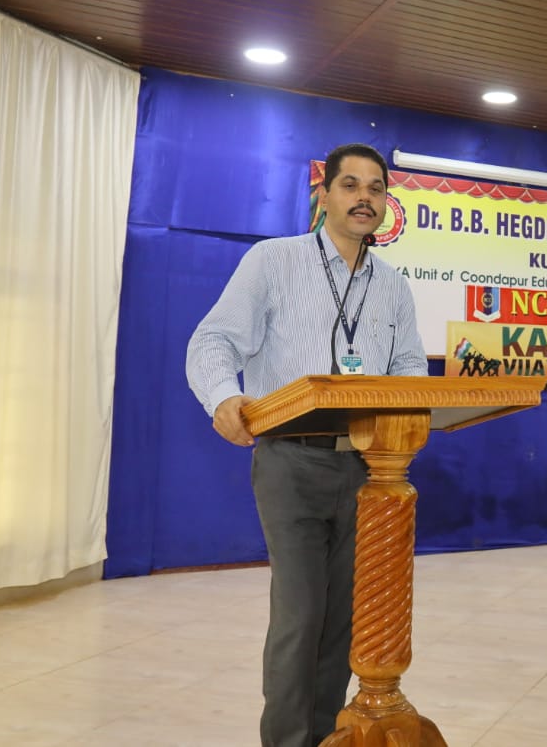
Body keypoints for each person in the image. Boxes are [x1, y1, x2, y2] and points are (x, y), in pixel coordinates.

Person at [186, 142, 427, 747]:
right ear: (323, 195)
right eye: (351, 185)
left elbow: (409, 367)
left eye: (376, 188)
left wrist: (413, 399)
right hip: (291, 461)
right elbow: (213, 340)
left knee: (345, 621)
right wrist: (223, 398)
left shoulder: (393, 286)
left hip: (371, 468)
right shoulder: (274, 261)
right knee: (300, 616)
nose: (364, 198)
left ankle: (325, 738)